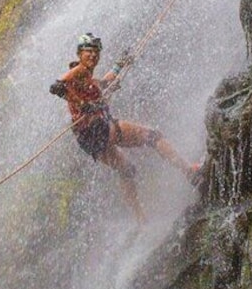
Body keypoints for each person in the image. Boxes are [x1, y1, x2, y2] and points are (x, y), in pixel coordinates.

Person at [50, 33, 199, 223]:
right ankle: (189, 172)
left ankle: (140, 219)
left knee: (126, 169)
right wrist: (82, 105)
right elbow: (56, 86)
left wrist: (120, 64)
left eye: (96, 52)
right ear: (79, 54)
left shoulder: (89, 80)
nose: (93, 56)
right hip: (98, 128)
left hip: (86, 139)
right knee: (152, 137)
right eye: (89, 52)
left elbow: (105, 82)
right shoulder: (80, 71)